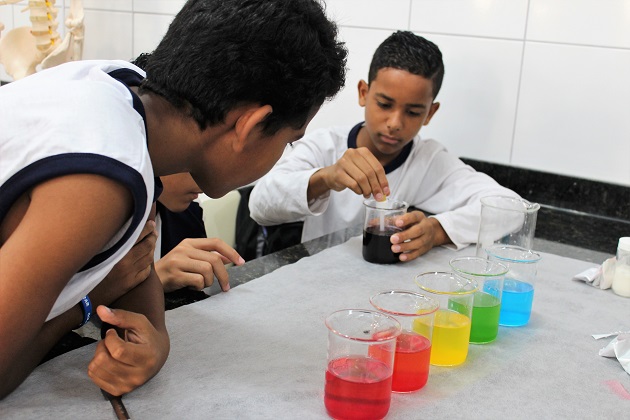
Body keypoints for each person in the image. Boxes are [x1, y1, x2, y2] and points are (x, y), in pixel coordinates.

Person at [0, 0, 347, 399]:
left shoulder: (127, 98)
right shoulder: (102, 176)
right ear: (249, 127)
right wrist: (86, 302)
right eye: (287, 143)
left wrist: (155, 340)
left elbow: (132, 262)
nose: (282, 153)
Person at [249, 30, 519, 262]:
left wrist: (437, 231)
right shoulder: (325, 146)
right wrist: (326, 178)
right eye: (385, 104)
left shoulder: (430, 161)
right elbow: (260, 205)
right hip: (319, 280)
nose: (395, 123)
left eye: (413, 112)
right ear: (364, 94)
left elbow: (511, 208)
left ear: (430, 113)